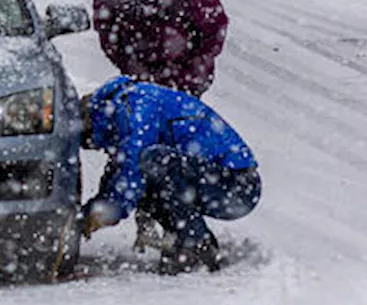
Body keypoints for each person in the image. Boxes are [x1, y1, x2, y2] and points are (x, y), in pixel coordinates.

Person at [79, 75, 260, 273]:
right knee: (145, 175)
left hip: (238, 186)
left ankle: (195, 245)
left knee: (152, 161)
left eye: (90, 143)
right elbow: (117, 174)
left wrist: (101, 214)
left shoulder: (137, 104)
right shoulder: (122, 108)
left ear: (92, 121)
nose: (97, 148)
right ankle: (186, 240)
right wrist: (89, 212)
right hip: (218, 181)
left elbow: (132, 170)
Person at [92, 0, 227, 98]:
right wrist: (132, 67)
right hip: (139, 67)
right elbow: (109, 40)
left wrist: (188, 70)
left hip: (186, 71)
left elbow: (214, 31)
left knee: (181, 113)